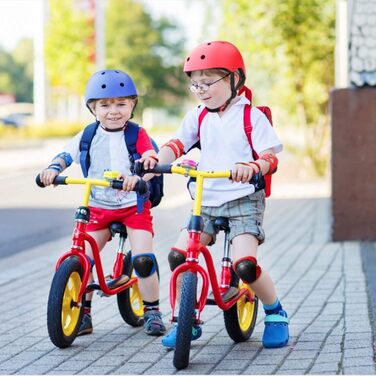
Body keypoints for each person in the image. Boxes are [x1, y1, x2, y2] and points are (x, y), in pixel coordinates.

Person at [141, 41, 289, 348]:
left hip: (244, 198)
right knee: (179, 256)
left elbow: (270, 157)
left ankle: (275, 312)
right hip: (205, 199)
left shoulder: (251, 117)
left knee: (244, 265)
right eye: (195, 84)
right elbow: (176, 145)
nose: (201, 90)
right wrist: (157, 161)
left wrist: (253, 166)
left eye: (208, 83)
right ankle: (186, 320)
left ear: (235, 79)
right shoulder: (198, 116)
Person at [39, 69, 166, 337]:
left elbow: (151, 160)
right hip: (98, 206)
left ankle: (152, 310)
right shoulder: (87, 134)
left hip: (133, 206)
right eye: (105, 105)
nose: (113, 111)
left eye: (121, 104)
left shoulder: (137, 134)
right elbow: (65, 155)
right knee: (82, 258)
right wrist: (52, 169)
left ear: (132, 105)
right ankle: (83, 313)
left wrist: (138, 175)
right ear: (93, 109)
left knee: (143, 260)